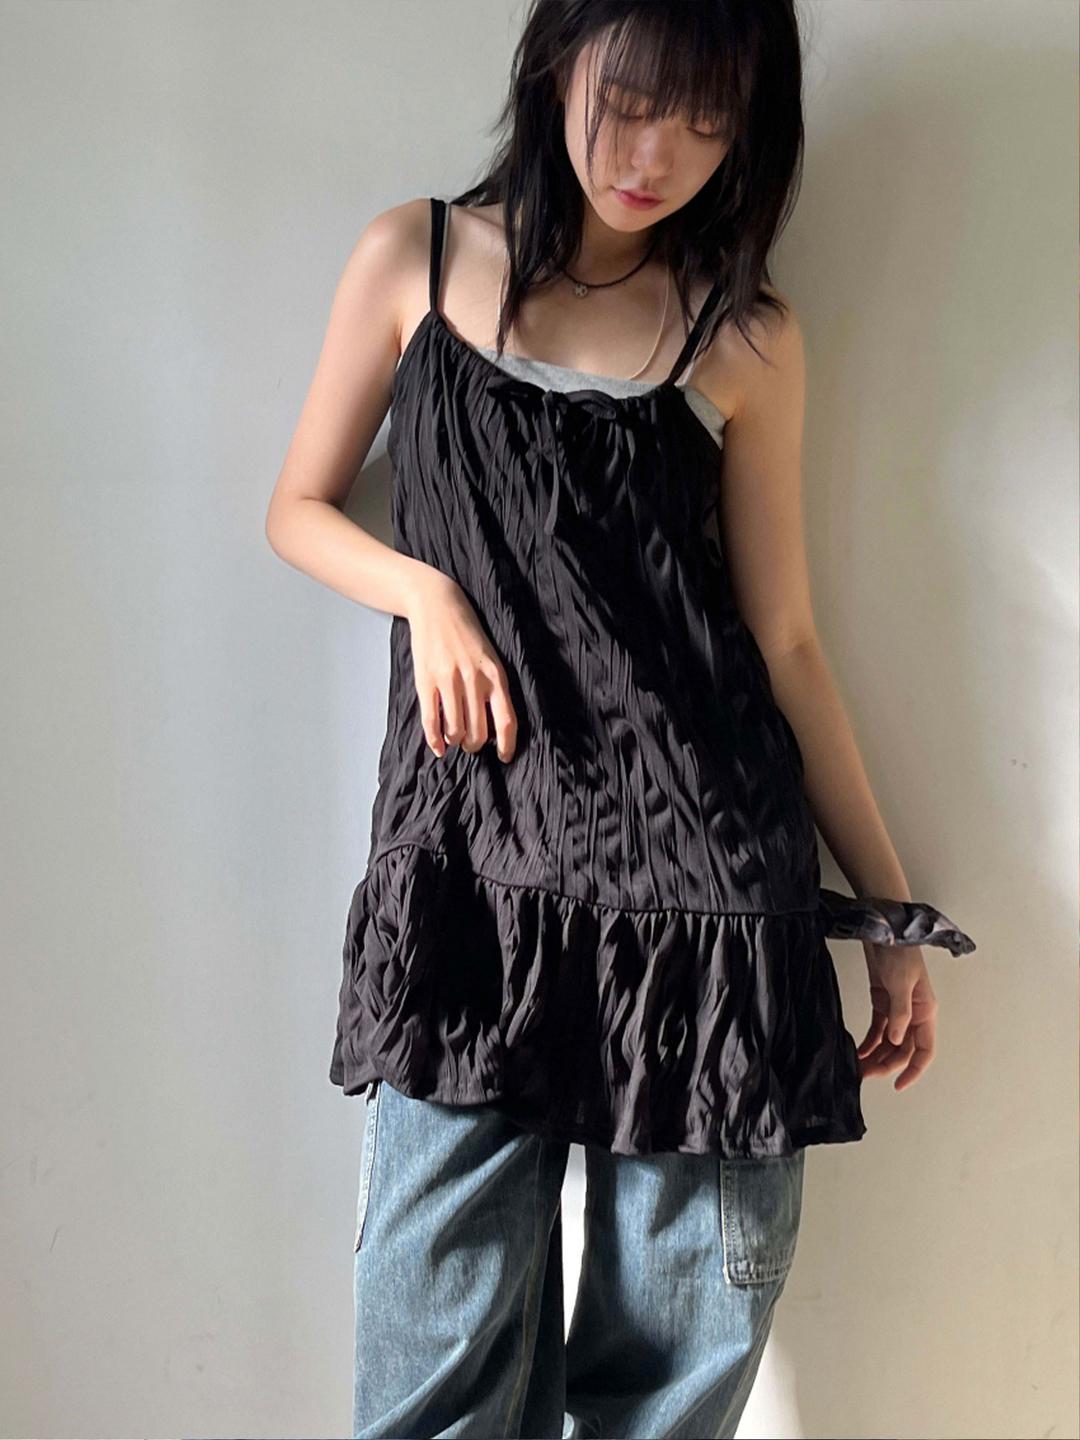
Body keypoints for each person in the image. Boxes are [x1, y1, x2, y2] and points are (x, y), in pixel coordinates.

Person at [265, 4, 976, 1436]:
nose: (657, 155)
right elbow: (299, 507)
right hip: (474, 877)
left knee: (671, 1380)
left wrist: (888, 912)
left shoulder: (746, 337)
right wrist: (425, 595)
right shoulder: (414, 257)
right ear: (557, 60)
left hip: (710, 905)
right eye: (634, 99)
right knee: (431, 1369)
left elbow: (784, 641)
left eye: (708, 123)